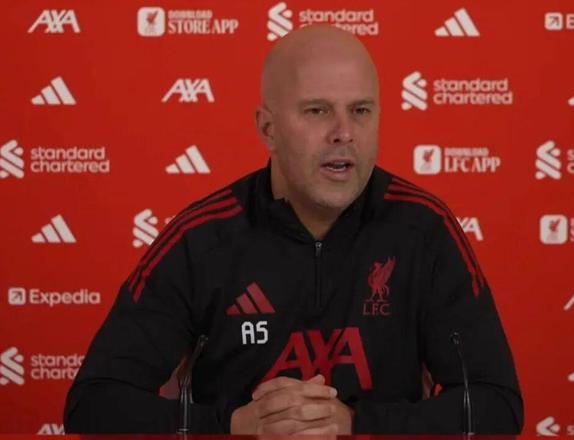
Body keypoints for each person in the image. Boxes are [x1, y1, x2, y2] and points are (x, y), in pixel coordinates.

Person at [64, 25, 523, 434]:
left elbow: (497, 405)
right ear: (268, 129)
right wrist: (235, 425)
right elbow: (94, 403)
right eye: (317, 111)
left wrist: (353, 424)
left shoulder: (424, 229)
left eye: (361, 110)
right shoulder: (201, 239)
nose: (344, 132)